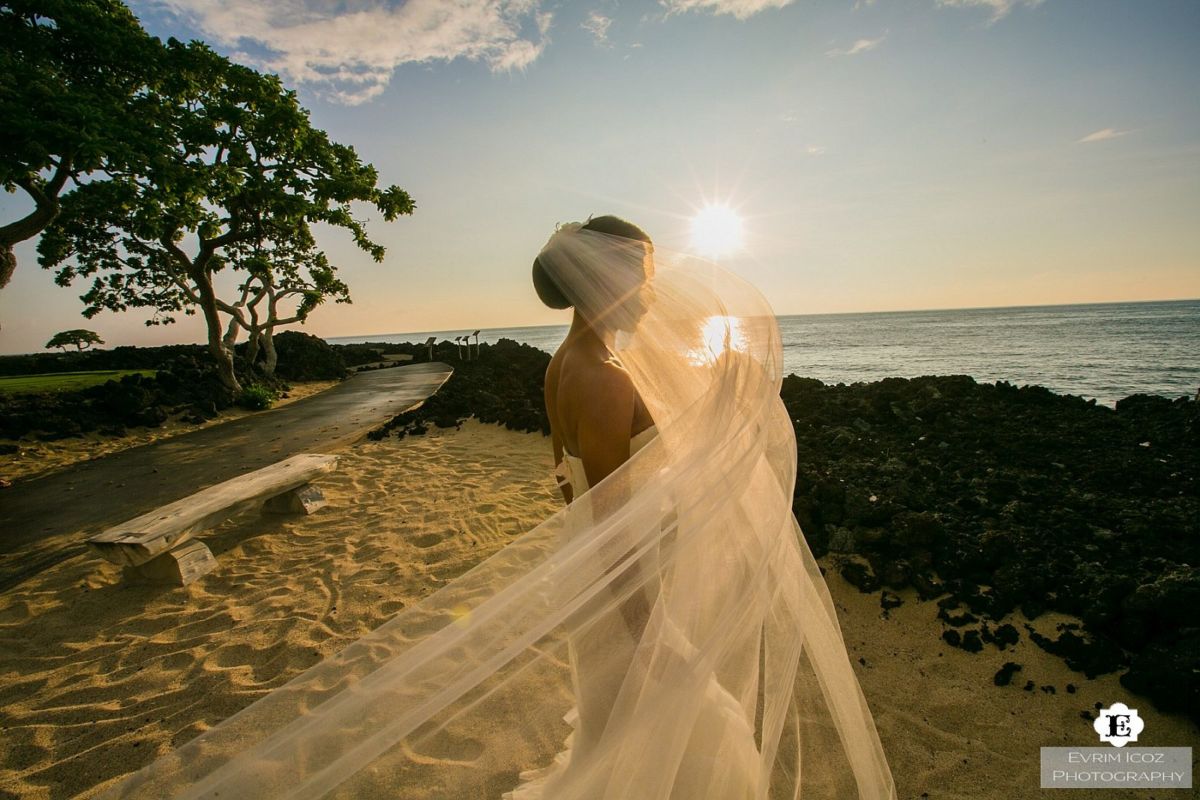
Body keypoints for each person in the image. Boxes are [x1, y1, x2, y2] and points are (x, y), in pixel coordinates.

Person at [104, 215, 896, 800]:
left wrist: (711, 412)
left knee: (621, 739)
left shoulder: (573, 361)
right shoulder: (606, 376)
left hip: (592, 572)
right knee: (690, 730)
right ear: (611, 283)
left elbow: (570, 481)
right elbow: (617, 512)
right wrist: (653, 627)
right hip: (623, 593)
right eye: (644, 276)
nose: (653, 292)